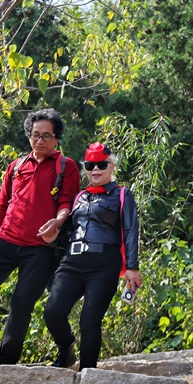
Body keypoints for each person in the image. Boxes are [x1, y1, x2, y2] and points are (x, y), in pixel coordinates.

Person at [0, 108, 81, 367]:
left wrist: (58, 220)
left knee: (21, 302)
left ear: (56, 139)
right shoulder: (16, 166)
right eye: (35, 135)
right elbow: (2, 205)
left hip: (40, 247)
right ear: (29, 136)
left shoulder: (66, 166)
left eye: (46, 136)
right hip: (5, 239)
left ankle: (7, 360)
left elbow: (67, 202)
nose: (40, 140)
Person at [42, 142, 141, 370]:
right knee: (53, 312)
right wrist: (51, 239)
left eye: (101, 164)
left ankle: (87, 374)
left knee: (89, 320)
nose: (95, 169)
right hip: (72, 264)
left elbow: (131, 230)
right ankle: (66, 350)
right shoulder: (78, 198)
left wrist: (132, 268)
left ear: (111, 166)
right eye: (89, 165)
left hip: (104, 266)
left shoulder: (122, 194)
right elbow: (66, 235)